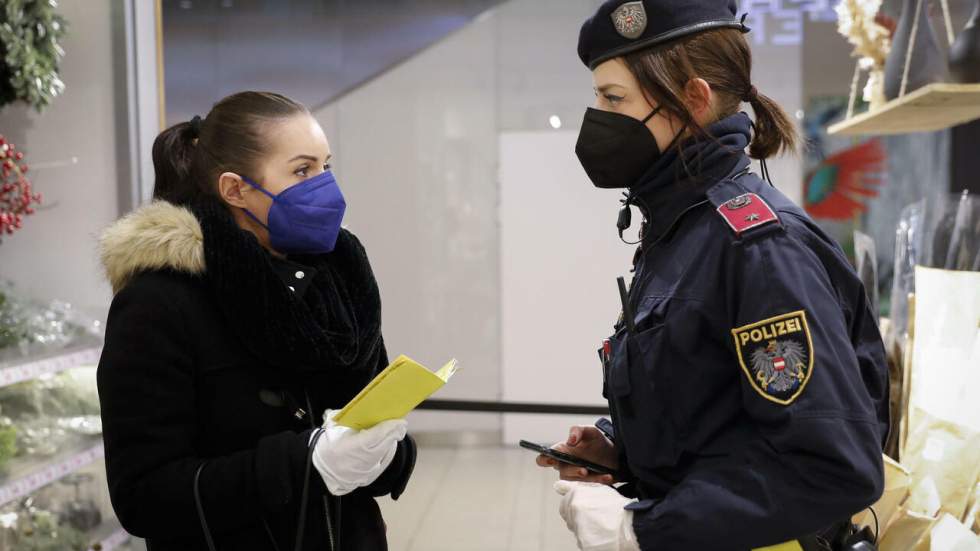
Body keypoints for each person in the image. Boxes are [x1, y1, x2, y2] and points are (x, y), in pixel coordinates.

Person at [535, 2, 889, 550]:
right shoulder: (683, 228)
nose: (599, 117)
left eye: (614, 99)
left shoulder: (758, 248)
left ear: (694, 100)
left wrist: (643, 530)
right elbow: (713, 410)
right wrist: (619, 449)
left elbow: (829, 466)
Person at [97, 91, 416, 550]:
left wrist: (385, 451)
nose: (325, 186)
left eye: (325, 167)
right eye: (302, 170)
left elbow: (371, 419)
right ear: (235, 189)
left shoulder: (340, 281)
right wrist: (306, 465)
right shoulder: (159, 303)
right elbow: (144, 496)